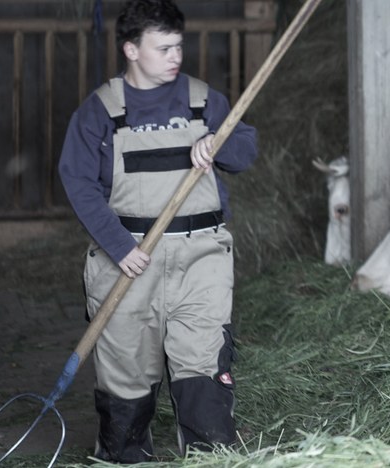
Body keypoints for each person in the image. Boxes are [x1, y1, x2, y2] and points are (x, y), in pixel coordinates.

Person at [57, 0, 256, 462]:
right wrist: (118, 245)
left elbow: (244, 152)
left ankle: (209, 455)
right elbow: (78, 182)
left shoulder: (203, 101)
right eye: (163, 47)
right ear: (130, 49)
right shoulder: (100, 111)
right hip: (128, 259)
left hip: (200, 257)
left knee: (203, 363)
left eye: (179, 46)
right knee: (126, 370)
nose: (175, 57)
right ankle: (125, 455)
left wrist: (219, 140)